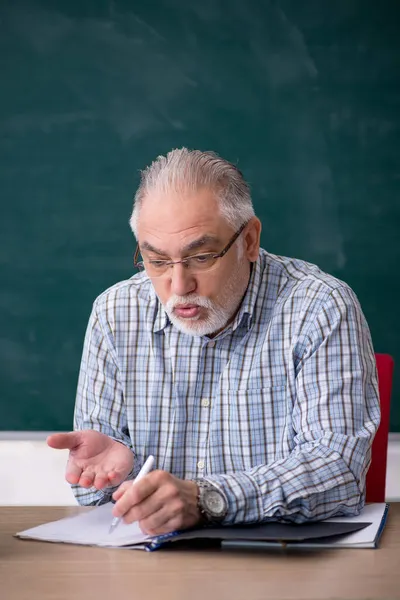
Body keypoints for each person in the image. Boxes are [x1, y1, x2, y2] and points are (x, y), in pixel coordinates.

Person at [47, 148, 380, 536]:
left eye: (201, 257)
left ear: (250, 240)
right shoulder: (114, 313)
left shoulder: (319, 307)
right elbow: (94, 498)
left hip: (283, 570)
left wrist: (207, 499)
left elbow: (338, 472)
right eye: (156, 261)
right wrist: (122, 470)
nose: (179, 286)